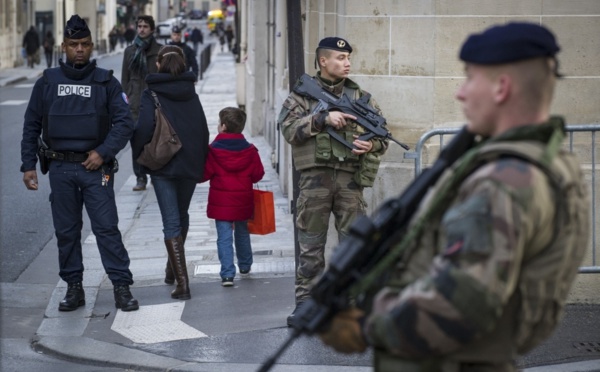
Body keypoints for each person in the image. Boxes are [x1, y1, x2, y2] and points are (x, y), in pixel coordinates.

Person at [318, 22, 590, 371]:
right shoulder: (548, 160)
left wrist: (366, 327)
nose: (461, 93)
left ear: (501, 88)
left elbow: (462, 304)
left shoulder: (505, 181)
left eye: (469, 79)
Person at [20, 15, 140, 313]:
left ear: (91, 46)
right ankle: (74, 288)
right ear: (64, 46)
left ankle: (121, 287)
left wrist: (103, 152)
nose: (79, 50)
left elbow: (125, 123)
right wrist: (28, 165)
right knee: (67, 231)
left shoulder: (106, 82)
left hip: (95, 169)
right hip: (61, 169)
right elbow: (31, 125)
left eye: (85, 44)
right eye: (73, 44)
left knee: (106, 228)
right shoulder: (47, 82)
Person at [279, 36, 389, 326]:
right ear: (323, 61)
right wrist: (322, 120)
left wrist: (372, 146)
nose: (347, 62)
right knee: (310, 245)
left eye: (349, 57)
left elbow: (381, 137)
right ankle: (306, 303)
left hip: (350, 182)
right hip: (314, 181)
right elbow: (289, 131)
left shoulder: (362, 99)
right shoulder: (302, 97)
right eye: (340, 58)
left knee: (354, 245)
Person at [131, 45, 209, 300]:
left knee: (170, 220)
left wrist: (140, 157)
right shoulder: (190, 91)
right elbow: (202, 128)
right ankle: (171, 269)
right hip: (189, 163)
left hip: (163, 163)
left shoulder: (151, 92)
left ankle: (183, 284)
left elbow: (143, 127)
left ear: (159, 65)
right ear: (182, 63)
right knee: (182, 215)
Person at [201, 107, 265, 287]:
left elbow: (204, 174)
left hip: (221, 203)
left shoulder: (213, 150)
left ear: (222, 126)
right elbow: (257, 175)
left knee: (224, 237)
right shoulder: (250, 150)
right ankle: (245, 265)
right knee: (243, 232)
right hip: (243, 201)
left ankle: (227, 274)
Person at [121, 15, 162, 191]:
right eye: (139, 26)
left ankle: (155, 174)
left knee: (153, 141)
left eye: (145, 26)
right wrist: (125, 98)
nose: (142, 29)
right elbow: (124, 79)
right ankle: (140, 177)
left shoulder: (159, 50)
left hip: (153, 102)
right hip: (134, 103)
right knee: (136, 142)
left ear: (152, 29)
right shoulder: (130, 51)